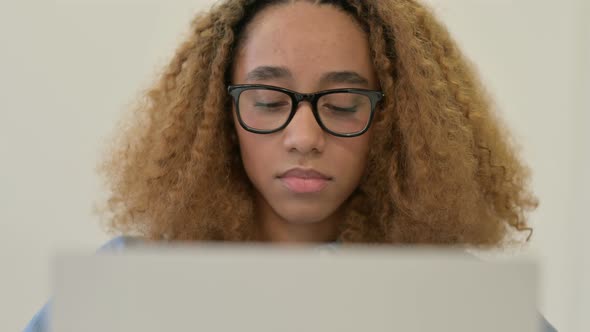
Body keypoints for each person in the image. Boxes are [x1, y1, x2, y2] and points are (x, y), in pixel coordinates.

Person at [25, 0, 556, 331]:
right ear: (219, 116)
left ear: (392, 124)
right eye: (268, 100)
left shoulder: (459, 302)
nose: (304, 137)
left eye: (344, 105)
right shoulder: (127, 283)